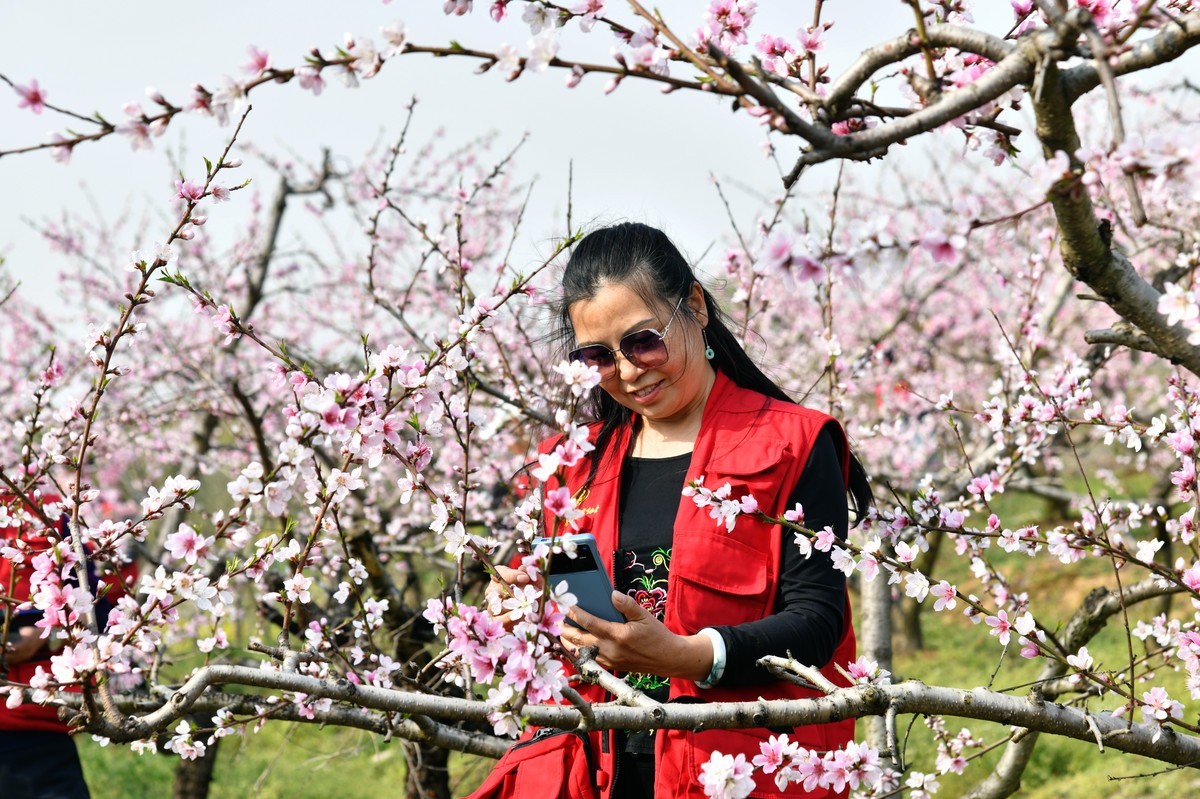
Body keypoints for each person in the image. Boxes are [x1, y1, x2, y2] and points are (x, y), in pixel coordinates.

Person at [487, 222, 872, 799]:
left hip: (737, 771)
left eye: (643, 340)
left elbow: (819, 621)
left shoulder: (794, 443)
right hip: (598, 769)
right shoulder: (571, 465)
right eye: (599, 357)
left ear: (694, 305)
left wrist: (692, 657)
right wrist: (521, 607)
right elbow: (569, 634)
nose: (630, 370)